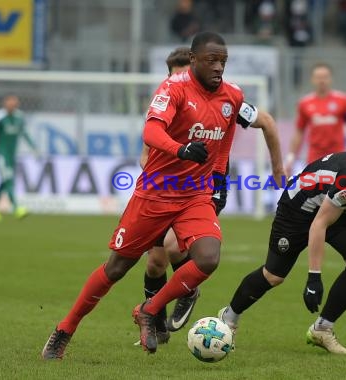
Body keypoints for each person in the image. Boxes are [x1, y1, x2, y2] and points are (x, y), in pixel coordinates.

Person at [42, 31, 246, 359]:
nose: (218, 67)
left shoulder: (233, 96)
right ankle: (65, 329)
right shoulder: (174, 87)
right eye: (211, 60)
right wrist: (181, 150)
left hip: (195, 195)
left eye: (223, 60)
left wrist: (218, 181)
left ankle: (149, 309)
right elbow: (150, 132)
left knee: (207, 259)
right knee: (116, 269)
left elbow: (223, 143)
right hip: (155, 194)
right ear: (193, 60)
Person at [134, 47, 285, 345]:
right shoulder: (166, 102)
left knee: (175, 248)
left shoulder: (224, 99)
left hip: (205, 188)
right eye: (174, 77)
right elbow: (145, 154)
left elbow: (267, 122)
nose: (181, 82)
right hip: (165, 189)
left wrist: (278, 169)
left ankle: (188, 290)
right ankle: (156, 327)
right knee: (154, 262)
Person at [218, 145, 346, 354]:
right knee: (274, 275)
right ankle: (229, 318)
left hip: (340, 206)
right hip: (300, 204)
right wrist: (314, 277)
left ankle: (322, 329)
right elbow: (319, 223)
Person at [285, 63, 346, 176]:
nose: (322, 81)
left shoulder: (343, 101)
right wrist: (291, 157)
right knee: (315, 190)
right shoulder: (305, 103)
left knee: (336, 190)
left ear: (330, 79)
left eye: (325, 77)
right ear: (312, 79)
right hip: (315, 156)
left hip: (338, 154)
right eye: (318, 77)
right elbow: (299, 132)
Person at [0, 95, 39, 222]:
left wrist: (34, 148)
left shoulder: (19, 117)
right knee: (9, 180)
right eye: (9, 103)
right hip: (1, 155)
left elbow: (25, 134)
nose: (12, 105)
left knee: (4, 182)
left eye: (14, 103)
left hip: (12, 155)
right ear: (5, 104)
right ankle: (16, 208)